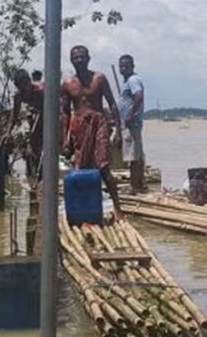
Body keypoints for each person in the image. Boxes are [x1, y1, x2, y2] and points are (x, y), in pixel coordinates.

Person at [60, 45, 124, 220]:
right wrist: (64, 138)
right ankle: (85, 211)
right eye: (75, 57)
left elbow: (111, 103)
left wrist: (118, 129)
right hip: (79, 126)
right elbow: (65, 112)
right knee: (81, 169)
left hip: (99, 123)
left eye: (82, 57)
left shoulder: (99, 78)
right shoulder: (67, 84)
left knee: (103, 166)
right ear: (71, 60)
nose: (79, 60)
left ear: (88, 58)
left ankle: (118, 208)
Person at [1, 69, 45, 181]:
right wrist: (7, 132)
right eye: (20, 87)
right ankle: (36, 177)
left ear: (29, 81)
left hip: (48, 115)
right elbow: (14, 115)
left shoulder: (41, 90)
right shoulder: (19, 96)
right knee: (33, 149)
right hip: (35, 116)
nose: (24, 90)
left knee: (46, 147)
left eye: (25, 86)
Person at [117, 54, 147, 194]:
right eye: (121, 66)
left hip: (131, 124)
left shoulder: (133, 80)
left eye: (126, 66)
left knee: (133, 157)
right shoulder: (127, 81)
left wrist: (131, 114)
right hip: (128, 123)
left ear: (132, 66)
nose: (123, 68)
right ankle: (139, 185)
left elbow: (139, 96)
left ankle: (135, 187)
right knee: (136, 155)